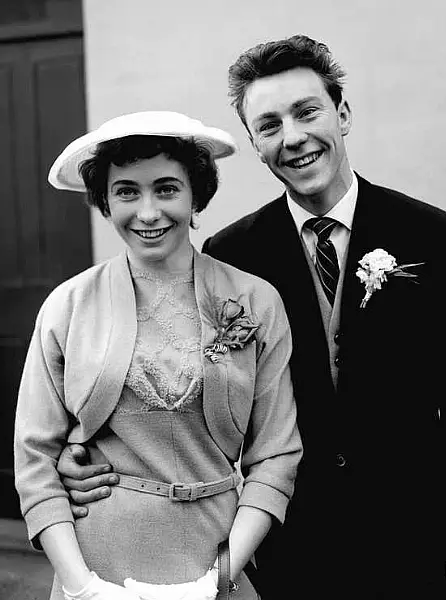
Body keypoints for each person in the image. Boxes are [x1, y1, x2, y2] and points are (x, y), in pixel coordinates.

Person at [56, 36, 446, 600]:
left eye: (306, 112)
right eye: (268, 126)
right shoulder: (232, 255)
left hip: (414, 537)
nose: (292, 138)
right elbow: (185, 389)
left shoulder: (430, 234)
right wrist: (84, 452)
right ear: (255, 144)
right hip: (287, 543)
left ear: (341, 114)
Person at [14, 111, 302, 600]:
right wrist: (85, 589)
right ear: (105, 201)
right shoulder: (67, 306)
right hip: (96, 563)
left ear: (196, 197)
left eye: (166, 189)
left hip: (213, 563)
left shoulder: (255, 301)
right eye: (126, 191)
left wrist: (225, 572)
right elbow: (35, 463)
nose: (147, 213)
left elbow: (276, 454)